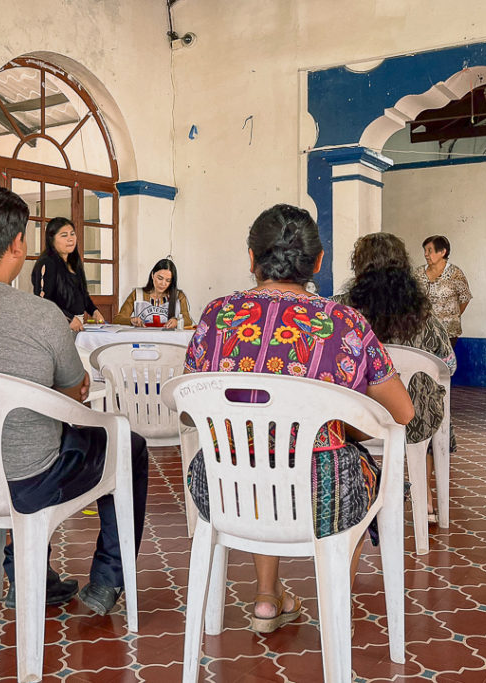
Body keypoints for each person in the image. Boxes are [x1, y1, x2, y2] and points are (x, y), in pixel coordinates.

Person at [0, 186, 148, 615]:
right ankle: (107, 582)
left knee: (35, 434)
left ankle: (27, 573)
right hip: (30, 482)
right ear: (18, 243)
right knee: (127, 446)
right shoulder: (38, 315)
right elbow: (75, 392)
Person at [184, 204, 414, 634]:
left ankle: (266, 597)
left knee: (257, 457)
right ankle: (333, 604)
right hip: (319, 494)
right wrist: (342, 424)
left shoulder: (215, 317)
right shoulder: (345, 323)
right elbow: (403, 411)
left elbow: (191, 402)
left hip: (222, 488)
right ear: (318, 262)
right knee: (367, 473)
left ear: (251, 258)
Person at [338, 232, 458, 522]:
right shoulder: (421, 313)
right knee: (428, 402)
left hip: (357, 419)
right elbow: (449, 364)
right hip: (414, 418)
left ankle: (365, 490)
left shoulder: (340, 309)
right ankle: (426, 500)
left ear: (359, 267)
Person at [32, 217, 106, 332]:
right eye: (64, 235)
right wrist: (69, 319)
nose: (70, 239)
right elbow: (43, 302)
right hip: (55, 327)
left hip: (77, 326)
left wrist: (94, 312)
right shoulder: (47, 263)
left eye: (72, 234)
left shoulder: (74, 262)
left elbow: (83, 294)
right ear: (52, 239)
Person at [414, 235, 472, 346]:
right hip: (422, 331)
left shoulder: (455, 273)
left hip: (448, 332)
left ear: (442, 252)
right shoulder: (418, 273)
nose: (426, 254)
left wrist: (452, 316)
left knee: (444, 362)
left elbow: (465, 298)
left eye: (429, 250)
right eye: (425, 250)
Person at [113, 258, 194, 328]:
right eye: (160, 278)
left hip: (169, 341)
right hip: (143, 340)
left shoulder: (178, 296)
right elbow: (118, 319)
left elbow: (188, 320)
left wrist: (177, 321)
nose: (163, 283)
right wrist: (131, 320)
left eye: (168, 280)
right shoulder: (137, 294)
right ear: (152, 275)